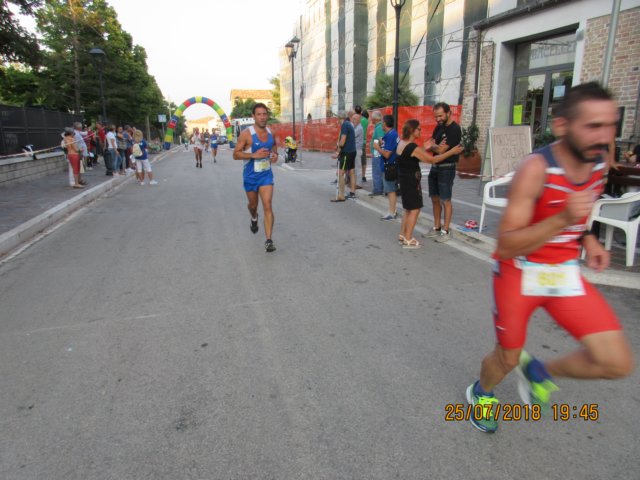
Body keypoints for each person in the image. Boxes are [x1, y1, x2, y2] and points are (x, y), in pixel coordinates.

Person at [465, 82, 634, 434]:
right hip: (519, 273)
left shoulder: (599, 162)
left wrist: (588, 238)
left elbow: (580, 212)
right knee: (507, 358)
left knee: (615, 362)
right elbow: (506, 245)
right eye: (593, 126)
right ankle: (481, 392)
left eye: (610, 125)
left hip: (563, 274)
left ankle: (540, 371)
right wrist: (562, 219)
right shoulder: (536, 169)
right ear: (562, 126)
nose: (605, 137)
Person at [396, 119, 463, 248]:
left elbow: (415, 154)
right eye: (419, 129)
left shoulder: (402, 143)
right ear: (412, 130)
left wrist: (427, 147)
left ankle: (403, 234)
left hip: (404, 179)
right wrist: (452, 152)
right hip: (411, 181)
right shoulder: (412, 147)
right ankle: (408, 239)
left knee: (408, 209)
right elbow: (432, 159)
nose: (420, 131)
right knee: (415, 209)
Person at [232, 103, 279, 252]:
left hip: (266, 175)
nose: (262, 117)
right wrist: (254, 155)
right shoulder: (246, 134)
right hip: (250, 176)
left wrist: (275, 155)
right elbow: (235, 154)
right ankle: (254, 217)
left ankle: (269, 240)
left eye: (264, 114)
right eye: (259, 114)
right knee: (253, 206)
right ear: (254, 116)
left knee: (267, 205)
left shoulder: (271, 132)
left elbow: (274, 147)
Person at [423, 102, 462, 243]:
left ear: (448, 113)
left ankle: (446, 230)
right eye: (436, 116)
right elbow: (429, 144)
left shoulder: (454, 129)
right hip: (435, 166)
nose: (438, 119)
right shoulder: (439, 127)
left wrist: (433, 147)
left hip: (447, 167)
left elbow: (439, 150)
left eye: (440, 116)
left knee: (446, 199)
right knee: (434, 198)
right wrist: (434, 146)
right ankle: (436, 227)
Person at [372, 115, 399, 220]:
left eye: (382, 122)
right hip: (389, 166)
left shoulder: (391, 135)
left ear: (385, 123)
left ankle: (392, 212)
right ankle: (391, 211)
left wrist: (377, 148)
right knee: (390, 190)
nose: (381, 124)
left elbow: (387, 154)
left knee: (390, 190)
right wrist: (381, 143)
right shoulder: (390, 134)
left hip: (390, 166)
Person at [331, 110, 358, 202]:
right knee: (351, 172)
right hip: (352, 151)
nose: (336, 120)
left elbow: (343, 140)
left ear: (339, 117)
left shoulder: (345, 125)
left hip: (346, 152)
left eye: (337, 118)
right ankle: (352, 192)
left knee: (340, 173)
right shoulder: (348, 124)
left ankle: (341, 195)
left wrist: (337, 152)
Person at [368, 111, 384, 197]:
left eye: (372, 117)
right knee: (378, 171)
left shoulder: (379, 128)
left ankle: (377, 190)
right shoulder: (379, 127)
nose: (371, 119)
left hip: (377, 153)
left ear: (375, 119)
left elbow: (381, 140)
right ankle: (379, 189)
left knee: (376, 172)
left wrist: (377, 148)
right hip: (378, 152)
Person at [355, 105, 369, 182]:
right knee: (363, 159)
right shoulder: (366, 121)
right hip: (364, 141)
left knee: (357, 160)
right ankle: (363, 176)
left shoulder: (358, 119)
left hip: (357, 141)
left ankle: (357, 176)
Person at [352, 112, 364, 189]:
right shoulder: (355, 127)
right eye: (352, 119)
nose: (353, 120)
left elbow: (351, 135)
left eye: (354, 119)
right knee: (355, 167)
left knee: (357, 167)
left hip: (357, 149)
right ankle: (355, 183)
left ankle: (358, 184)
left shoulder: (359, 128)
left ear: (358, 120)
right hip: (355, 149)